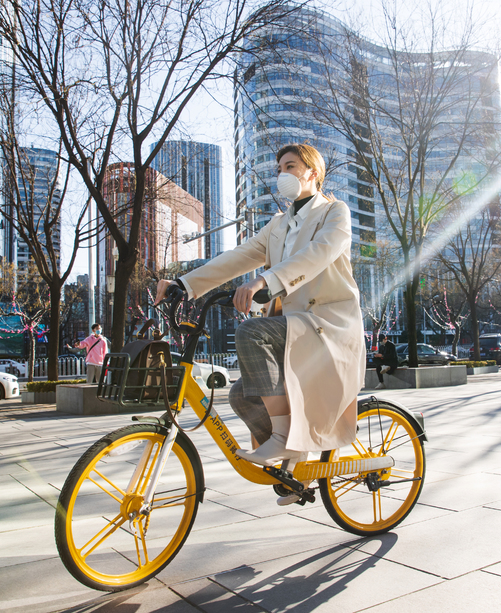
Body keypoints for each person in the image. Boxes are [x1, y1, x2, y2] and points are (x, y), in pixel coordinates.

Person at [155, 143, 365, 505]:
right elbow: (235, 258)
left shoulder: (335, 212)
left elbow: (317, 255)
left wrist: (264, 282)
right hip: (297, 326)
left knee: (250, 331)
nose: (282, 174)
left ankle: (284, 437)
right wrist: (184, 285)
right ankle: (292, 463)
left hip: (328, 324)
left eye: (290, 166)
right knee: (242, 395)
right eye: (279, 168)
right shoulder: (278, 226)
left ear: (312, 173)